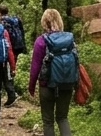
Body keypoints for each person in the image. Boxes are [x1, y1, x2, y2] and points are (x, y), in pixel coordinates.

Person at [28, 8, 75, 136]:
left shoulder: (41, 41)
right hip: (66, 84)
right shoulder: (69, 39)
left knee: (48, 121)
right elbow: (76, 62)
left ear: (44, 22)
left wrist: (31, 86)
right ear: (59, 21)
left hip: (47, 85)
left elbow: (35, 67)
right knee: (63, 118)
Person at [0, 4, 26, 107]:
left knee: (7, 70)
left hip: (9, 48)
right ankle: (11, 91)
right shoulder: (15, 19)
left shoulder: (1, 22)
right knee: (10, 69)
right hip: (18, 47)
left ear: (0, 11)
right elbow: (21, 32)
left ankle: (11, 94)